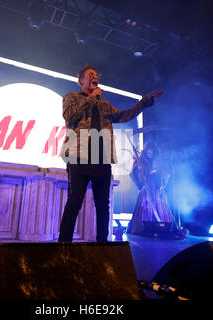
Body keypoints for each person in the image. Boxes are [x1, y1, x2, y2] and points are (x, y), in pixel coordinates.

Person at [58, 63, 164, 242]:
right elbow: (70, 116)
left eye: (96, 76)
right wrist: (92, 99)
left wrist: (141, 105)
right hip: (78, 157)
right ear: (81, 80)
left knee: (103, 206)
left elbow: (123, 116)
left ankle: (102, 247)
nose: (94, 77)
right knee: (74, 202)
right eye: (90, 75)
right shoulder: (72, 97)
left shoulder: (104, 104)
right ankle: (63, 245)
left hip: (102, 158)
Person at [128, 142, 173, 235]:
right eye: (148, 153)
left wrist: (158, 176)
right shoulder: (140, 161)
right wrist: (139, 171)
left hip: (157, 190)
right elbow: (133, 174)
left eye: (151, 153)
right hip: (146, 189)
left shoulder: (159, 161)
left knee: (160, 207)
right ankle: (144, 228)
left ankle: (161, 228)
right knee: (145, 207)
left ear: (154, 152)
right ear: (145, 152)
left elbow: (166, 172)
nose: (150, 155)